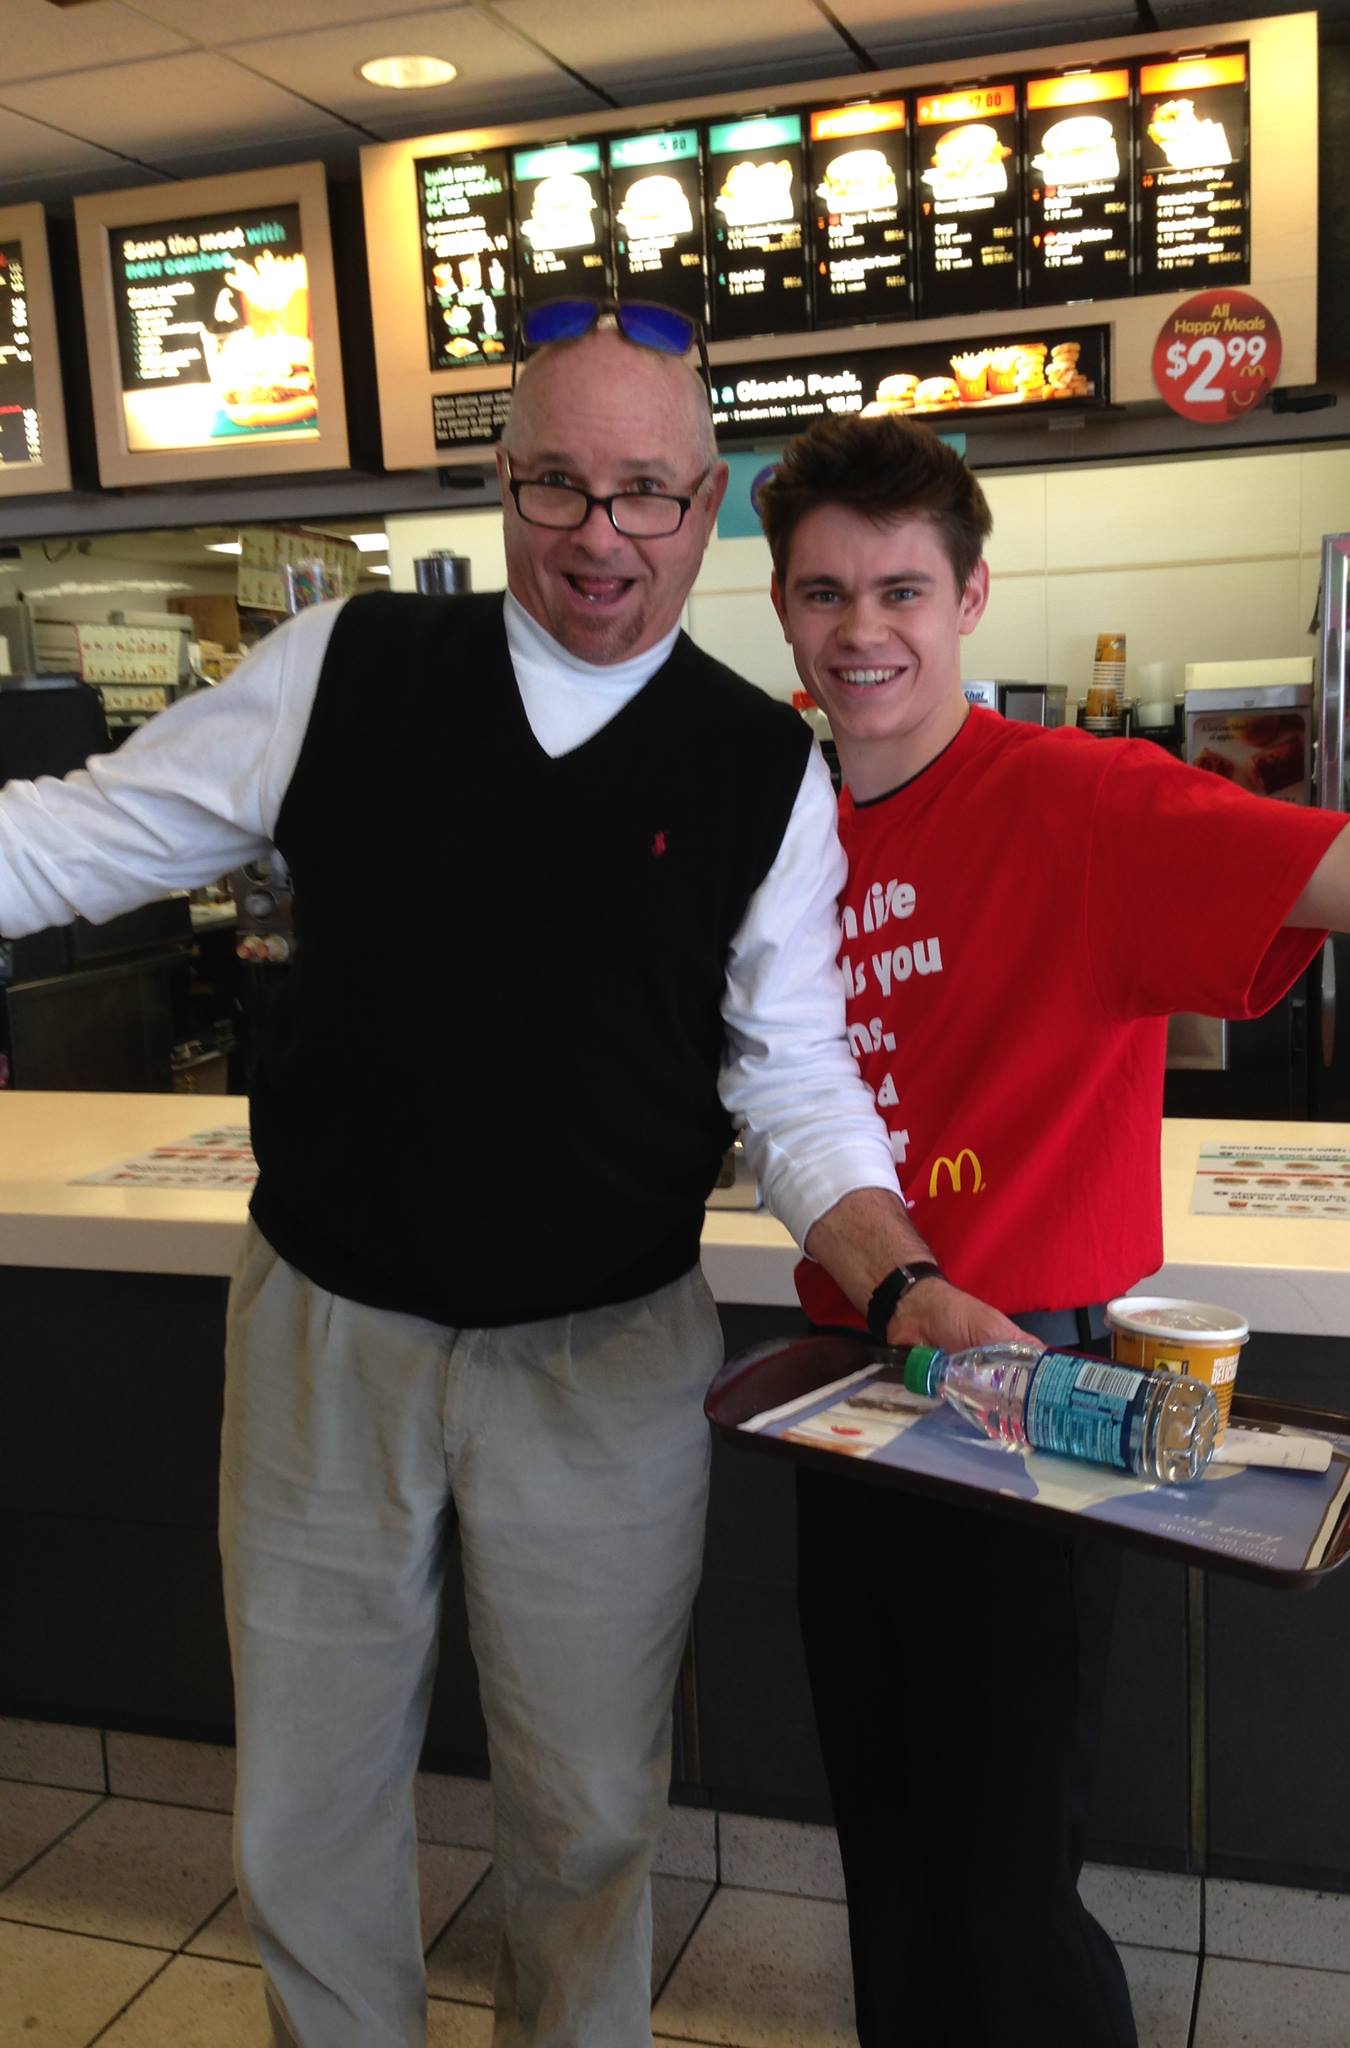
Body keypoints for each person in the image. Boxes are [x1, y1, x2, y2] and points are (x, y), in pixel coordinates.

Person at [0, 319, 1011, 2048]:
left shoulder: (760, 768)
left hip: (608, 1357)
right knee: (310, 1805)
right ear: (502, 482)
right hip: (327, 1331)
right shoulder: (348, 664)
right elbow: (77, 837)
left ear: (707, 506)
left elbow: (791, 1074)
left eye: (646, 494)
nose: (600, 536)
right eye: (558, 485)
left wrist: (900, 1276)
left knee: (592, 1811)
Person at [756, 414, 1350, 2048]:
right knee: (885, 1848)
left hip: (1033, 1390)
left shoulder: (1080, 799)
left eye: (901, 590)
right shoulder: (786, 827)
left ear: (972, 598)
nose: (862, 631)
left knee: (1004, 1878)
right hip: (847, 1383)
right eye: (826, 593)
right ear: (781, 608)